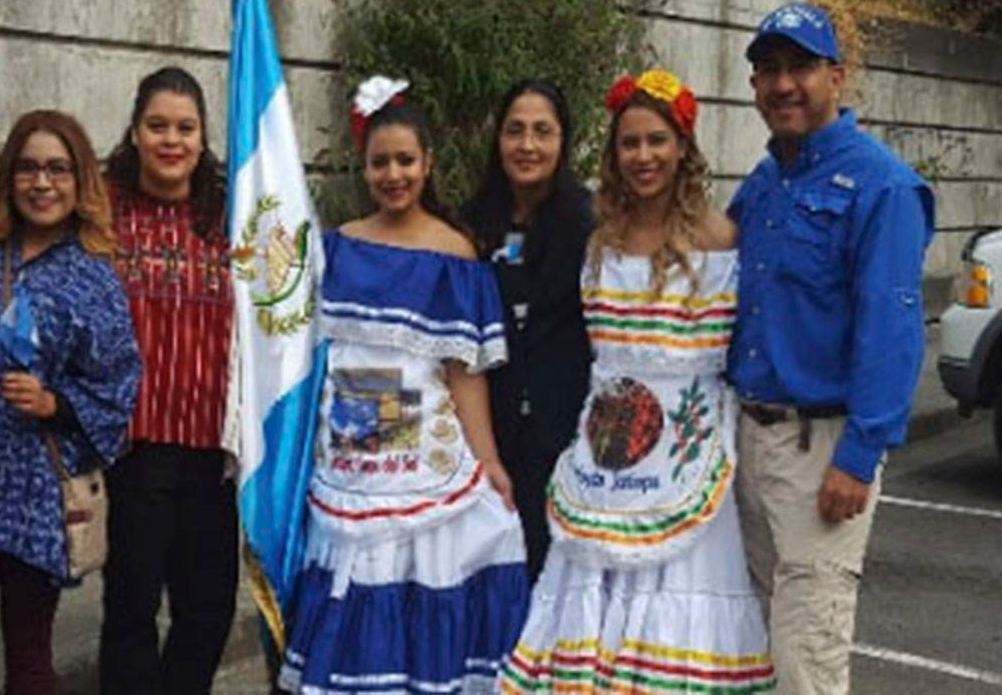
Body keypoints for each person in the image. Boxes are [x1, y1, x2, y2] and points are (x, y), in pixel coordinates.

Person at [499, 69, 776, 692]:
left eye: (657, 141)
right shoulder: (598, 242)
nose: (643, 156)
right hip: (603, 456)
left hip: (686, 452)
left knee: (673, 620)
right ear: (613, 153)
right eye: (630, 144)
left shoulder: (721, 237)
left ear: (683, 147)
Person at [278, 82, 527, 694]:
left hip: (424, 463)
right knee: (355, 580)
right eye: (380, 162)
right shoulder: (335, 247)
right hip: (349, 462)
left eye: (405, 161)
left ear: (428, 164)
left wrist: (489, 459)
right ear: (363, 166)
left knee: (421, 582)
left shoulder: (455, 252)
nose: (394, 174)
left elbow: (463, 372)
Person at [728, 2, 933, 694]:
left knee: (805, 663)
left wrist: (860, 455)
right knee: (753, 649)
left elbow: (893, 328)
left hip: (823, 451)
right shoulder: (763, 184)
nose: (783, 85)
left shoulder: (882, 186)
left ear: (836, 76)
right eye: (768, 71)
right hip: (747, 443)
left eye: (800, 68)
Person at [0, 110, 140, 694]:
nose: (42, 183)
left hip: (35, 500)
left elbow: (119, 388)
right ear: (9, 177)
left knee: (31, 665)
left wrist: (54, 403)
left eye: (58, 169)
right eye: (29, 168)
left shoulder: (95, 279)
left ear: (80, 180)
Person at [98, 66, 238, 695]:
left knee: (206, 611)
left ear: (204, 138)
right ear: (134, 131)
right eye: (157, 126)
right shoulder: (99, 210)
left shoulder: (233, 213)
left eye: (185, 128)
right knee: (130, 611)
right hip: (133, 447)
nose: (171, 140)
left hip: (213, 450)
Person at [462, 79, 594, 582]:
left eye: (543, 131)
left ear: (564, 141)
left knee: (547, 573)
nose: (528, 145)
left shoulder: (588, 225)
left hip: (559, 439)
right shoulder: (471, 225)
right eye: (515, 131)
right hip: (485, 435)